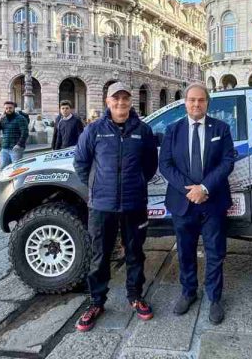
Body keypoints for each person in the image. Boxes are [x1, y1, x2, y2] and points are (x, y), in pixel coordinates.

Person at [73, 82, 159, 332]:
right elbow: (81, 163)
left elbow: (150, 165)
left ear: (131, 101)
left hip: (134, 203)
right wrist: (98, 186)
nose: (121, 102)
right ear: (107, 101)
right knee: (100, 255)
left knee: (135, 253)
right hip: (102, 205)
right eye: (116, 98)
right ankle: (96, 302)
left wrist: (137, 182)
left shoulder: (143, 131)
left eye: (125, 98)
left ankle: (135, 295)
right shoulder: (94, 130)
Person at [158, 83, 235, 325]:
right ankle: (188, 292)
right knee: (185, 250)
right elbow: (165, 164)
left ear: (207, 103)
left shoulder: (221, 128)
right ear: (185, 103)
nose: (196, 104)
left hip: (213, 200)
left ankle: (214, 297)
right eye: (192, 100)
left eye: (201, 100)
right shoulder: (173, 130)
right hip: (183, 202)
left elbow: (227, 161)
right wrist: (190, 190)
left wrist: (204, 188)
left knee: (215, 251)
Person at [0, 101, 29, 169]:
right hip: (5, 147)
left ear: (14, 108)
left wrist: (19, 144)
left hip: (16, 148)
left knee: (16, 168)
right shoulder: (3, 119)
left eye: (10, 108)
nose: (8, 110)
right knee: (3, 168)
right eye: (6, 108)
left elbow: (25, 133)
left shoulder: (21, 118)